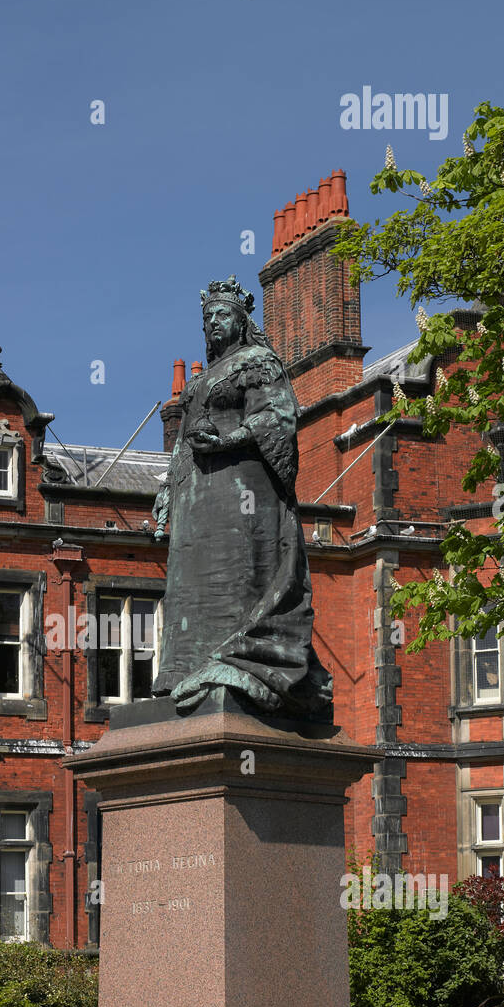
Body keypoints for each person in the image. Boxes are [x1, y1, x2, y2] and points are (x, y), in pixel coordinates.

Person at [152, 276, 333, 718]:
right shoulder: (201, 381)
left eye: (222, 315)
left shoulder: (258, 362)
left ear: (240, 320)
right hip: (197, 498)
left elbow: (278, 416)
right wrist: (166, 491)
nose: (214, 322)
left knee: (237, 579)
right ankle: (185, 669)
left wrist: (229, 438)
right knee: (191, 586)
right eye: (208, 317)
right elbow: (181, 443)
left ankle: (246, 662)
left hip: (244, 495)